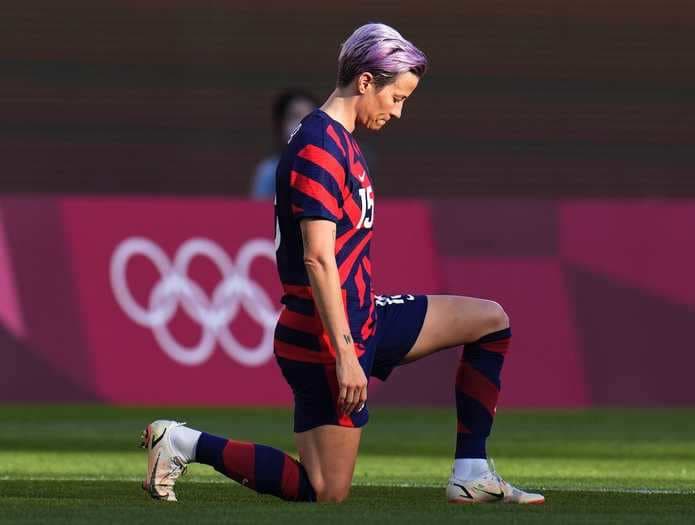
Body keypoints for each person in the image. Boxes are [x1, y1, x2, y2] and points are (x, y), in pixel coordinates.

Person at [140, 22, 544, 506]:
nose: (398, 112)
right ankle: (183, 442)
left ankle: (471, 474)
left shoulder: (342, 141)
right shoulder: (321, 146)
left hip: (363, 316)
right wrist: (347, 354)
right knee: (325, 490)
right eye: (396, 97)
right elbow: (317, 257)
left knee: (489, 321)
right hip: (325, 335)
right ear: (366, 82)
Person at [250, 90, 318, 199]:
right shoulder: (269, 172)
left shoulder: (333, 170)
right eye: (295, 116)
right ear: (280, 126)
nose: (304, 125)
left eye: (311, 118)